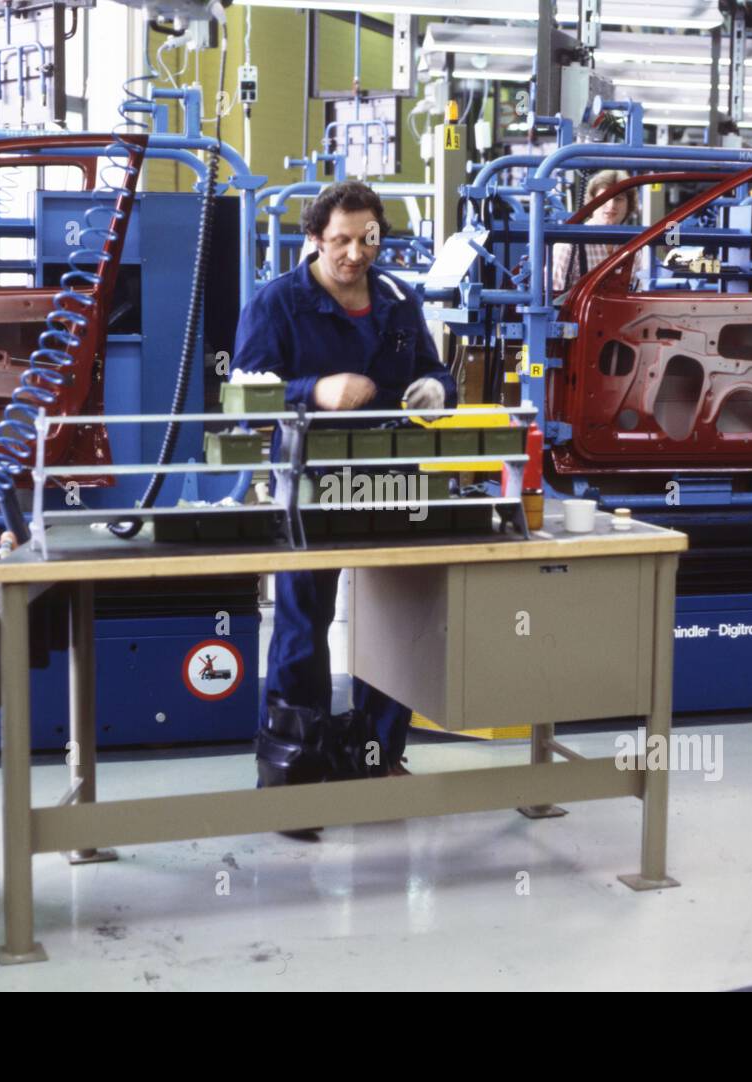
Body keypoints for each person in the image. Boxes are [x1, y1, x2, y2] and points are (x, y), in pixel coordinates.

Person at [231, 180, 458, 829]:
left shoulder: (394, 297)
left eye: (367, 240)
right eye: (340, 241)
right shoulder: (278, 303)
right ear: (313, 239)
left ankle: (377, 757)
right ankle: (293, 775)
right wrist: (313, 389)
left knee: (393, 621)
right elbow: (243, 394)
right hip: (310, 482)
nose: (355, 254)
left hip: (390, 478)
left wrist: (432, 390)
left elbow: (434, 371)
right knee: (304, 622)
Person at [550, 168, 650, 298]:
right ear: (592, 202)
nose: (611, 205)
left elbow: (637, 295)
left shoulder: (633, 248)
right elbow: (551, 297)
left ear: (629, 205)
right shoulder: (569, 245)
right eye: (605, 198)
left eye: (618, 199)